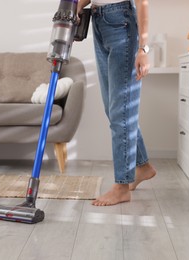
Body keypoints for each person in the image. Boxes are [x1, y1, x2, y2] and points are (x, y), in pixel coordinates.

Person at [77, 0, 156, 206]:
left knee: (121, 112)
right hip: (99, 22)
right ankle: (143, 166)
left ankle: (121, 187)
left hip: (122, 24)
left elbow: (142, 3)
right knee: (115, 111)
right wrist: (77, 8)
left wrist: (143, 49)